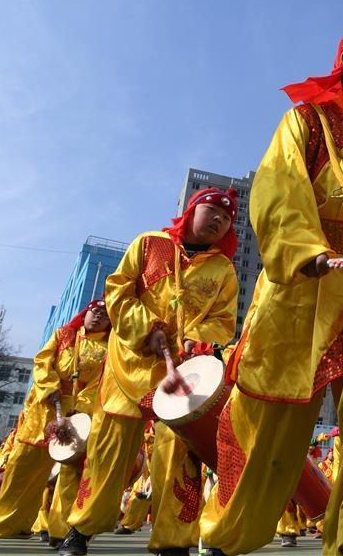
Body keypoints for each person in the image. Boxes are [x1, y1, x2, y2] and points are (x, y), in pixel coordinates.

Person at [199, 22, 343, 556]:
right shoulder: (306, 120)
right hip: (298, 289)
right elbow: (279, 187)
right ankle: (228, 536)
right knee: (266, 421)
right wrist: (305, 249)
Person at [58, 188, 238, 556]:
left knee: (178, 453)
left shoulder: (224, 269)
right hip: (128, 363)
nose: (219, 220)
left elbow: (222, 321)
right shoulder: (148, 244)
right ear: (191, 211)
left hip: (180, 373)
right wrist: (146, 328)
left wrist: (195, 342)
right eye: (212, 211)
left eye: (227, 219)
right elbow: (119, 291)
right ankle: (81, 528)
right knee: (109, 451)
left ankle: (173, 541)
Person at [0, 300, 110, 545]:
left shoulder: (109, 348)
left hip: (74, 418)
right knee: (22, 466)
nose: (98, 317)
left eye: (104, 316)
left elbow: (98, 385)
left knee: (68, 475)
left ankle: (60, 532)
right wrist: (50, 387)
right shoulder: (63, 335)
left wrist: (80, 410)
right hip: (44, 409)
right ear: (86, 313)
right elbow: (42, 362)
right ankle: (0, 525)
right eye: (95, 312)